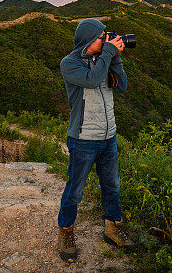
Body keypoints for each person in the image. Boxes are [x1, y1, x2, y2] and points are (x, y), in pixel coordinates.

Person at [56, 17, 135, 261]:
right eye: (103, 37)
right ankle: (66, 231)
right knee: (75, 190)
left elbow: (121, 86)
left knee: (112, 187)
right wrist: (108, 53)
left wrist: (116, 57)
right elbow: (91, 80)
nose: (107, 40)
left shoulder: (105, 59)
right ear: (90, 40)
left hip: (108, 136)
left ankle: (113, 229)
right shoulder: (69, 63)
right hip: (83, 138)